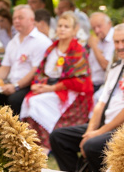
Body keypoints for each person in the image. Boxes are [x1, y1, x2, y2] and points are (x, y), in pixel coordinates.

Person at [50, 23, 124, 172]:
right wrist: (89, 132)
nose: (120, 46)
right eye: (116, 42)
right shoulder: (116, 67)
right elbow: (101, 103)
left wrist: (98, 133)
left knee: (92, 146)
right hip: (106, 124)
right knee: (59, 137)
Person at [20, 12, 93, 150]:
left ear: (74, 30)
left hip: (70, 92)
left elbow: (79, 81)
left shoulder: (78, 50)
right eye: (60, 26)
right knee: (27, 100)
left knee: (37, 102)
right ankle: (31, 144)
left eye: (67, 26)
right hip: (50, 86)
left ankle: (45, 146)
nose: (62, 29)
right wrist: (38, 85)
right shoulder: (52, 48)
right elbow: (41, 71)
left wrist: (50, 89)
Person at [0, 5, 50, 115]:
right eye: (14, 18)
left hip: (31, 85)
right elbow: (5, 68)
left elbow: (35, 71)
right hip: (12, 84)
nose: (16, 21)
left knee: (13, 100)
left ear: (32, 20)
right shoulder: (13, 42)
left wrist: (16, 86)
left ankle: (17, 131)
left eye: (20, 18)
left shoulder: (41, 41)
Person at [87, 12, 114, 93]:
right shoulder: (97, 39)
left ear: (109, 24)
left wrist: (94, 46)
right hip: (91, 84)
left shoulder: (115, 39)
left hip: (104, 87)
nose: (97, 31)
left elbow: (106, 66)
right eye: (93, 28)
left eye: (99, 26)